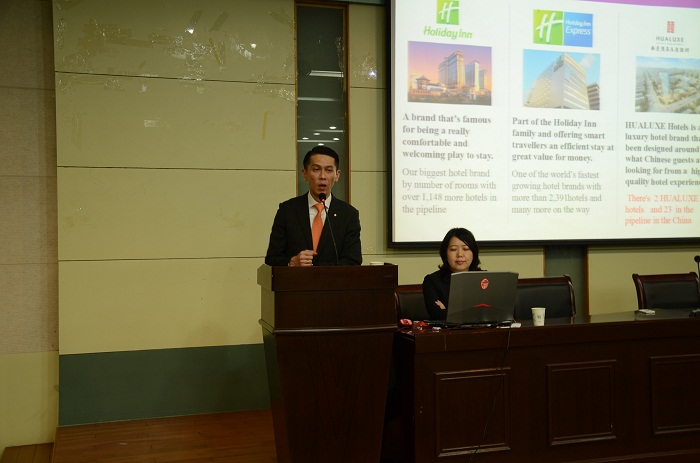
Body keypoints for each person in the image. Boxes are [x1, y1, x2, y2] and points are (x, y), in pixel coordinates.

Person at [265, 146, 362, 267]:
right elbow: (271, 259)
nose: (322, 176)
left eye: (328, 170)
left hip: (334, 280)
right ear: (305, 173)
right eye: (316, 169)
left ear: (337, 175)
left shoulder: (348, 214)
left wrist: (321, 273)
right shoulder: (287, 211)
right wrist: (292, 262)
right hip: (296, 279)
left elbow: (353, 261)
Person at [422, 227, 482, 320]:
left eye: (466, 249)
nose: (460, 254)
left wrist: (449, 312)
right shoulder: (432, 282)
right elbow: (438, 316)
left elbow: (493, 314)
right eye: (453, 249)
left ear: (474, 253)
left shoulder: (484, 279)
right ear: (445, 254)